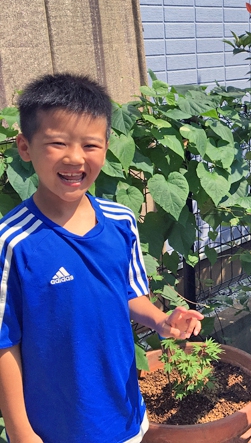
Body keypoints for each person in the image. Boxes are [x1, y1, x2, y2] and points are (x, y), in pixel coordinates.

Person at [0, 73, 204, 443]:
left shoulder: (121, 220)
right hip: (56, 427)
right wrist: (20, 433)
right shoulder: (13, 241)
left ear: (106, 147)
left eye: (90, 145)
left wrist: (161, 320)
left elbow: (127, 293)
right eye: (57, 142)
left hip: (125, 414)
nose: (75, 158)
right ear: (25, 147)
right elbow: (4, 343)